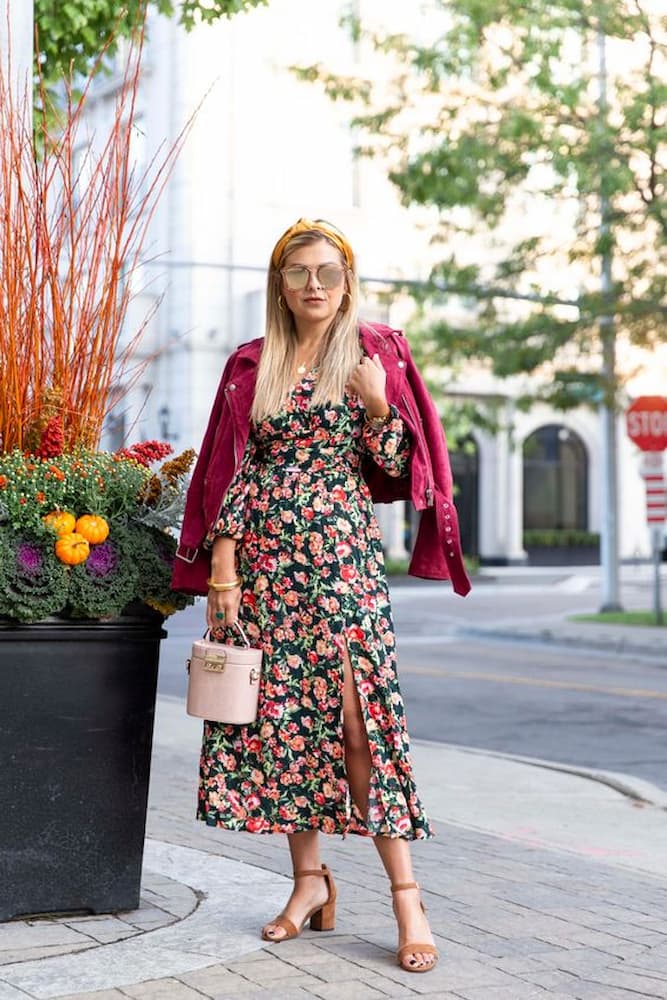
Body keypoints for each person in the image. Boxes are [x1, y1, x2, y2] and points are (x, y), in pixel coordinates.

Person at [173, 218, 470, 974]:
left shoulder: (375, 354)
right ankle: (308, 883)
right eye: (299, 272)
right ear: (280, 282)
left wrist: (377, 407)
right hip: (265, 565)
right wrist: (223, 570)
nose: (313, 285)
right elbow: (232, 473)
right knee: (281, 724)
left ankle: (406, 894)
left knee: (359, 724)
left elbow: (400, 473)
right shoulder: (253, 361)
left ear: (346, 281)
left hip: (341, 561)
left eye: (327, 273)